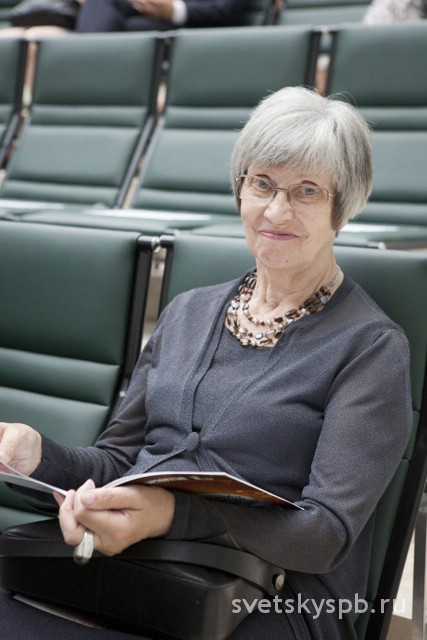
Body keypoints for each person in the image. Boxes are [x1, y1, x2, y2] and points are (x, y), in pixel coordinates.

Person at [0, 86, 412, 639]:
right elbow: (118, 462)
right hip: (143, 571)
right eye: (261, 183)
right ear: (240, 188)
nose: (276, 210)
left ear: (344, 206)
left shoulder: (371, 348)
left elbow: (324, 535)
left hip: (279, 599)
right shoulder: (186, 311)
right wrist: (36, 457)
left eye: (307, 191)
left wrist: (170, 515)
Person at [75, 0, 249, 32]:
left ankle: (83, 65)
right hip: (145, 13)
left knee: (128, 28)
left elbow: (227, 10)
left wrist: (174, 10)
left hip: (196, 25)